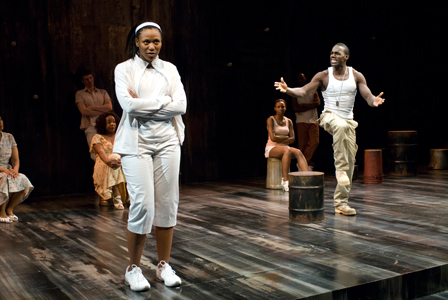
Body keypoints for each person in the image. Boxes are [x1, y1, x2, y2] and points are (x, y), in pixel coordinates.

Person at [114, 20, 186, 291]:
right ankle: (133, 268)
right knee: (143, 204)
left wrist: (150, 105)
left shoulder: (170, 69)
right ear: (136, 42)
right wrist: (163, 101)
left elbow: (182, 105)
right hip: (136, 143)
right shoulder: (124, 69)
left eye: (156, 41)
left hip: (168, 141)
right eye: (146, 41)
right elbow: (128, 106)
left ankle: (163, 265)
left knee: (168, 204)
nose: (152, 46)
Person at [275, 43, 385, 216]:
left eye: (337, 53)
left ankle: (341, 203)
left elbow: (367, 95)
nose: (333, 55)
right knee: (340, 131)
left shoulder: (356, 76)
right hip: (329, 117)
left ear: (346, 57)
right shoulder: (324, 76)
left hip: (348, 122)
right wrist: (288, 89)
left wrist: (374, 101)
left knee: (350, 162)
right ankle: (339, 169)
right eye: (331, 53)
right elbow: (303, 91)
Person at [265, 99, 309, 192]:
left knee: (298, 152)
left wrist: (280, 138)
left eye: (283, 107)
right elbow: (273, 138)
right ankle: (285, 180)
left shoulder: (288, 121)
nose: (281, 108)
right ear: (275, 109)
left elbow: (292, 139)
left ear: (285, 108)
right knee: (286, 150)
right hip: (272, 147)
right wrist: (285, 138)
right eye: (279, 107)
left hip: (285, 147)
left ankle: (308, 178)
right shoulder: (271, 119)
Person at [90, 112, 127, 209]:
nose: (112, 124)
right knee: (113, 157)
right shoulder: (97, 137)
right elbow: (102, 153)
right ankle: (116, 194)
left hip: (119, 163)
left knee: (118, 158)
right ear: (103, 124)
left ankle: (122, 195)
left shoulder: (120, 136)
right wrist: (109, 161)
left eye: (114, 122)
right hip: (104, 164)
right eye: (109, 122)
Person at [0, 116, 34, 223]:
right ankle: (1, 211)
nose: (0, 122)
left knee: (22, 179)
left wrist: (15, 170)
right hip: (2, 171)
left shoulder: (9, 137)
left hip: (7, 169)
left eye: (0, 119)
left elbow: (15, 159)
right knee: (5, 178)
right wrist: (4, 170)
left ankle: (9, 209)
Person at [75, 69, 113, 161]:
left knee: (109, 150)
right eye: (87, 79)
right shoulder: (80, 94)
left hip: (104, 125)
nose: (90, 81)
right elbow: (84, 112)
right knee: (96, 153)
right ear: (83, 81)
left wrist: (92, 107)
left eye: (91, 78)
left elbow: (109, 107)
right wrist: (102, 110)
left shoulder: (102, 92)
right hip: (90, 125)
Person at [291, 73, 321, 170]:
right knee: (302, 145)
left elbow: (317, 103)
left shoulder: (312, 89)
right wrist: (309, 105)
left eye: (302, 78)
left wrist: (303, 105)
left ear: (306, 78)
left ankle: (303, 162)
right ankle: (305, 164)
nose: (301, 80)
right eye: (299, 78)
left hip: (313, 120)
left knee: (315, 142)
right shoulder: (295, 92)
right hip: (301, 121)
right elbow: (296, 108)